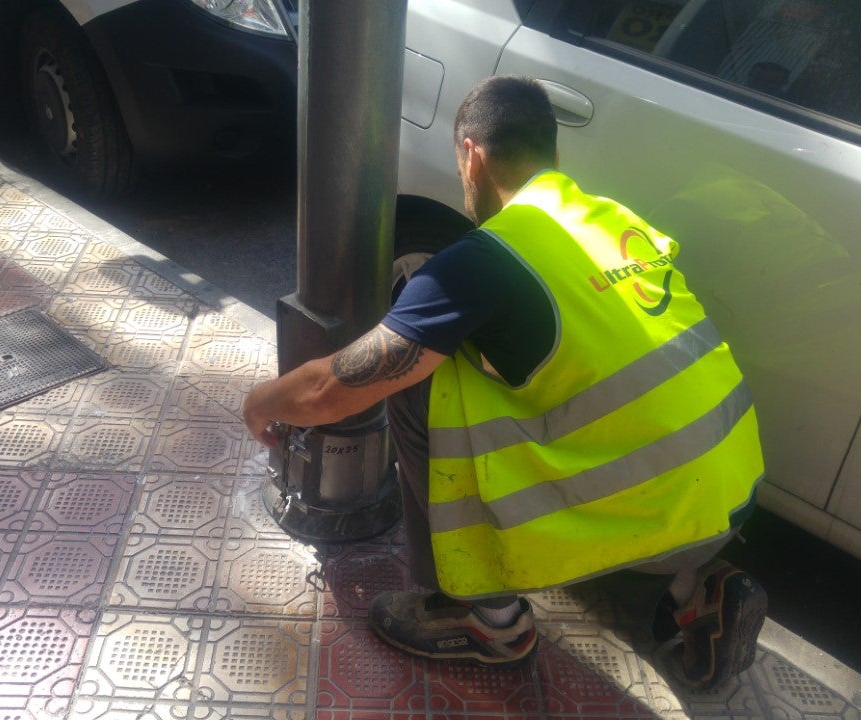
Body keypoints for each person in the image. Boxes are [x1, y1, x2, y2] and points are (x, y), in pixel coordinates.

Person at [242, 75, 767, 690]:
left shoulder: (493, 254)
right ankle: (695, 591)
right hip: (728, 497)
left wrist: (261, 401)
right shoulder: (611, 219)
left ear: (472, 156)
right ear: (554, 154)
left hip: (651, 514)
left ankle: (487, 619)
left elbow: (333, 389)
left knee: (421, 382)